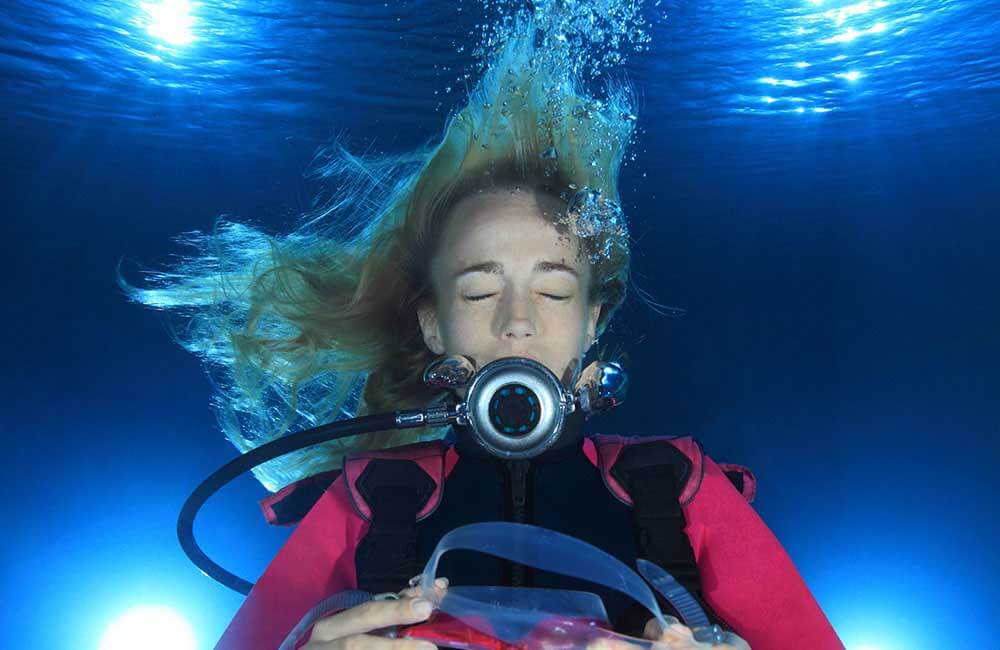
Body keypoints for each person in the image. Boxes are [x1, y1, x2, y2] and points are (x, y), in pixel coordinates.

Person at [121, 19, 844, 650]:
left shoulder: (676, 493)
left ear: (594, 322)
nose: (518, 320)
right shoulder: (369, 500)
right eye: (479, 289)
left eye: (555, 288)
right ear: (433, 325)